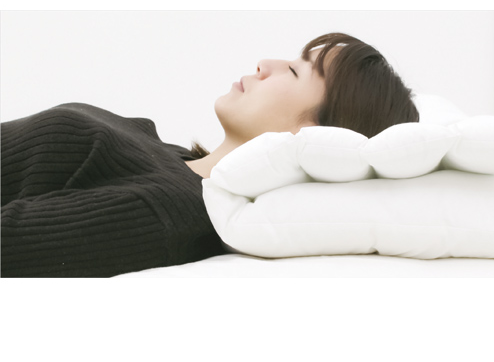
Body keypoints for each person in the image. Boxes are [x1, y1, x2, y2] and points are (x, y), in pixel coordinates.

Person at [1, 32, 419, 278]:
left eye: (295, 71)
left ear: (315, 135)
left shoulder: (168, 210)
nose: (265, 63)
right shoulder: (161, 150)